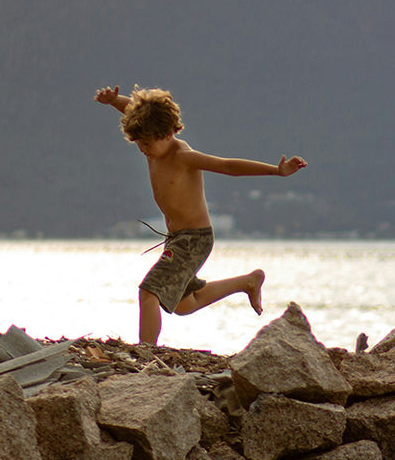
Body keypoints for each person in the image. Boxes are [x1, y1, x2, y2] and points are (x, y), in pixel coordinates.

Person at [96, 85, 307, 345]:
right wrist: (113, 100)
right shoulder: (151, 141)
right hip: (176, 238)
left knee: (149, 292)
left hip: (193, 239)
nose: (142, 149)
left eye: (146, 142)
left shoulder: (183, 156)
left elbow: (228, 166)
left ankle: (146, 352)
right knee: (184, 304)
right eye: (138, 142)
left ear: (166, 133)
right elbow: (135, 110)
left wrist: (277, 171)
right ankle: (247, 282)